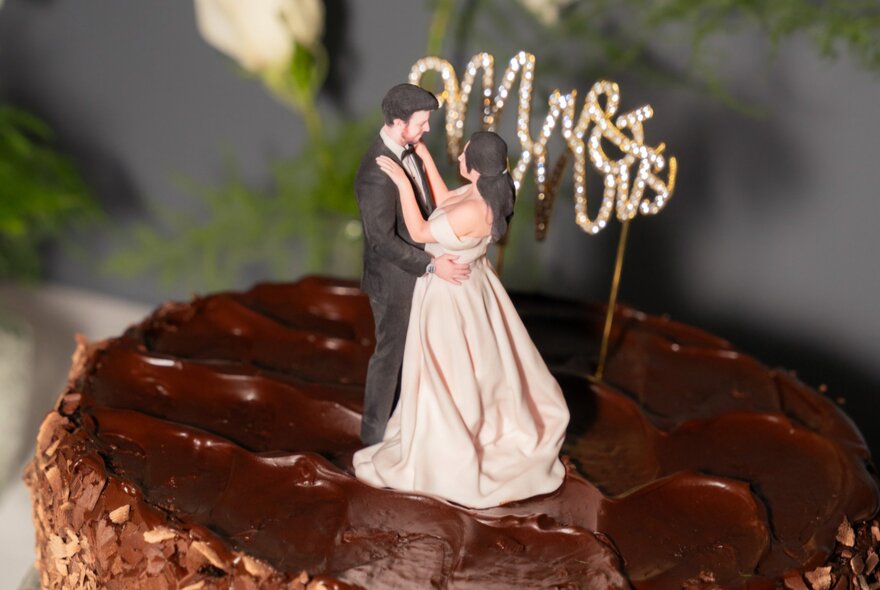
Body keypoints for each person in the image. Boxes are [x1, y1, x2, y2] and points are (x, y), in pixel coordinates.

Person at [353, 131, 570, 509]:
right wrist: (424, 157)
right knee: (469, 366)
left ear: (477, 166)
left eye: (465, 154)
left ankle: (449, 439)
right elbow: (444, 202)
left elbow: (421, 230)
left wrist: (402, 181)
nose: (459, 157)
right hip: (469, 287)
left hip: (449, 298)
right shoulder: (482, 192)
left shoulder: (475, 208)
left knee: (446, 370)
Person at [355, 84, 471, 446]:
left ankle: (407, 430)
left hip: (417, 274)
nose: (427, 129)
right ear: (398, 122)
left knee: (416, 356)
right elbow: (382, 241)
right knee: (391, 358)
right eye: (421, 122)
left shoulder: (411, 152)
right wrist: (432, 265)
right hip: (395, 283)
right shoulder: (376, 173)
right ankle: (373, 438)